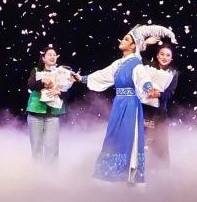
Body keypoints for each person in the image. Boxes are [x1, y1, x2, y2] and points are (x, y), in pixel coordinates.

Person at [78, 25, 176, 184]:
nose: (121, 40)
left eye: (126, 39)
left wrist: (149, 88)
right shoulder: (118, 63)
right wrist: (81, 78)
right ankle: (110, 173)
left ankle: (130, 174)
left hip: (131, 104)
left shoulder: (136, 63)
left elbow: (143, 78)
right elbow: (103, 75)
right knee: (113, 135)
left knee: (129, 137)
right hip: (119, 103)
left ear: (132, 46)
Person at [25, 45, 74, 164]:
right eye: (49, 54)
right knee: (36, 148)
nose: (52, 56)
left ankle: (51, 174)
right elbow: (30, 86)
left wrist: (59, 92)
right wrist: (42, 81)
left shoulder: (62, 72)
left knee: (52, 148)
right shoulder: (36, 70)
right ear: (43, 58)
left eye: (54, 55)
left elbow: (67, 93)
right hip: (35, 113)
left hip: (52, 115)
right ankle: (36, 173)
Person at [142, 41, 179, 168]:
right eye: (162, 54)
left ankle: (161, 171)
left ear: (171, 58)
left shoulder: (174, 73)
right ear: (157, 55)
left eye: (168, 55)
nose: (164, 57)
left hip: (159, 112)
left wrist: (159, 94)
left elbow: (170, 92)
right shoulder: (147, 67)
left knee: (160, 143)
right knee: (143, 140)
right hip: (143, 109)